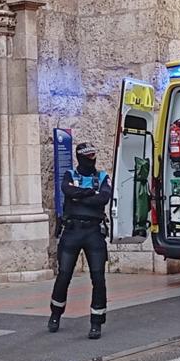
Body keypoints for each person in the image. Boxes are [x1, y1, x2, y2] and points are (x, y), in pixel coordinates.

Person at [48, 141, 111, 340]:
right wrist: (89, 193)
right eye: (88, 156)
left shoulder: (102, 177)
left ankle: (96, 322)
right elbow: (68, 191)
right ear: (80, 157)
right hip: (72, 231)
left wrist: (80, 198)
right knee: (64, 275)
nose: (92, 159)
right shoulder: (70, 175)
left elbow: (103, 199)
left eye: (93, 155)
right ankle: (55, 314)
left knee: (98, 278)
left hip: (94, 232)